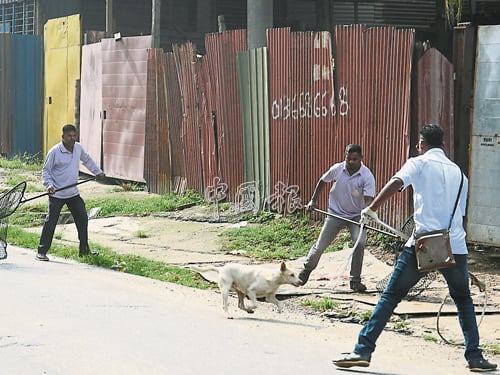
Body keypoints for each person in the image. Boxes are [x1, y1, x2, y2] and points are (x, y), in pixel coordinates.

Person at [333, 124, 497, 372]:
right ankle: (475, 358)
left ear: (421, 144)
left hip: (422, 244)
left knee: (390, 297)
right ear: (443, 145)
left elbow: (395, 182)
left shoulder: (418, 163)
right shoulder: (459, 174)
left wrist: (371, 209)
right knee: (463, 299)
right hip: (454, 246)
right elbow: (461, 213)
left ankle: (362, 351)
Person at [299, 144, 375, 292]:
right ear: (345, 156)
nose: (351, 162)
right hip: (335, 213)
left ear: (361, 158)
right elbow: (322, 181)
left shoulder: (366, 176)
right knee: (321, 245)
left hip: (356, 217)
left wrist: (366, 213)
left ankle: (355, 280)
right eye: (348, 159)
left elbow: (368, 198)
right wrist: (313, 200)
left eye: (354, 159)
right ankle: (306, 270)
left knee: (360, 243)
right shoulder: (338, 169)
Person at [35, 124, 105, 261]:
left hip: (73, 193)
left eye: (74, 136)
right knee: (51, 221)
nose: (72, 138)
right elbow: (46, 171)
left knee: (82, 218)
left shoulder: (78, 148)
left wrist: (98, 172)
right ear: (63, 137)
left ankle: (84, 250)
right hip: (57, 194)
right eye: (69, 136)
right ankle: (41, 251)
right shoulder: (55, 151)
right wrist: (49, 186)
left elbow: (87, 160)